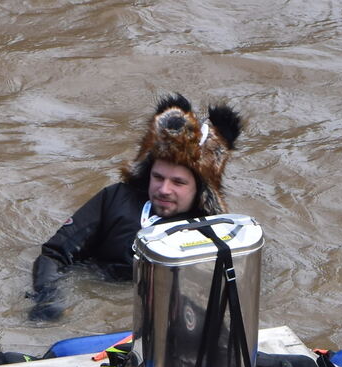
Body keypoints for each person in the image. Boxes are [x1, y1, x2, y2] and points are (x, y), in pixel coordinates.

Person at [28, 93, 243, 321]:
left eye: (178, 182)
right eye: (158, 177)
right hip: (96, 298)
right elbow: (54, 255)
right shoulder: (115, 199)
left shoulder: (216, 234)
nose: (164, 189)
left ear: (201, 190)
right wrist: (49, 298)